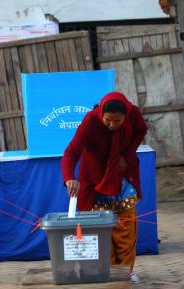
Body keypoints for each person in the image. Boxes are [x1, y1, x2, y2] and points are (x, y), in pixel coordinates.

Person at [61, 91, 147, 283]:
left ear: (126, 115)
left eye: (117, 121)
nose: (112, 125)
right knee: (102, 235)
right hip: (96, 183)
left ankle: (125, 273)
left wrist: (126, 154)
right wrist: (69, 178)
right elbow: (71, 152)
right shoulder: (91, 121)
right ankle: (108, 273)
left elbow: (141, 131)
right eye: (108, 120)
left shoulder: (134, 113)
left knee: (125, 232)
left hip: (124, 180)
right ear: (101, 114)